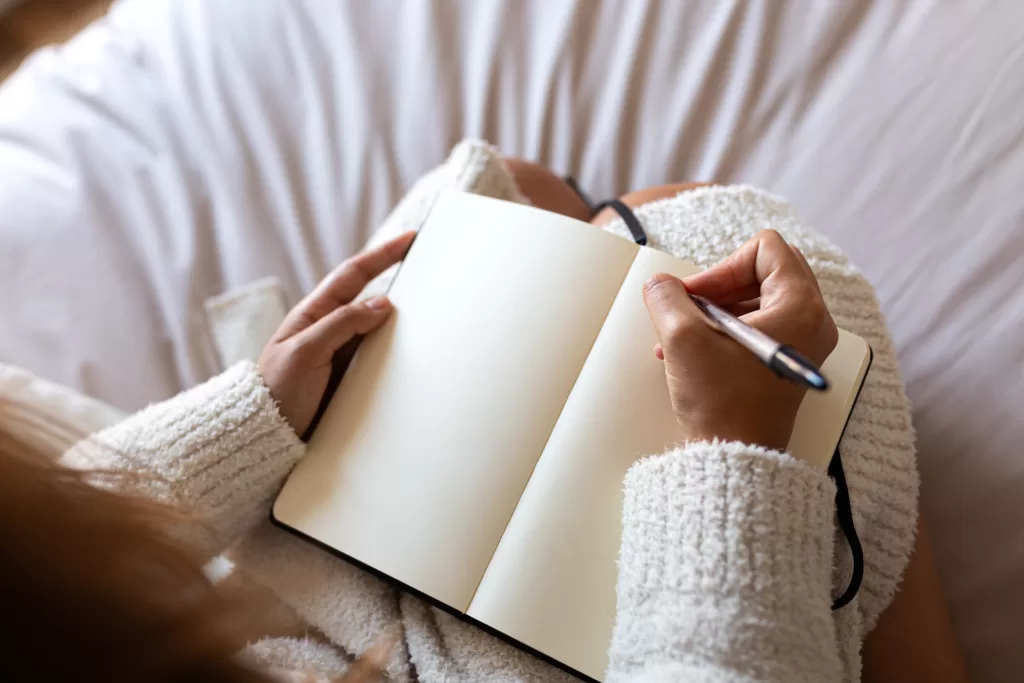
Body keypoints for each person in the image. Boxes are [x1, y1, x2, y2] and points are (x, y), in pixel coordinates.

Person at [0, 145, 966, 683]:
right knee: (718, 243)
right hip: (523, 635)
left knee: (499, 195)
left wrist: (253, 413)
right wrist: (735, 462)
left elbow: (58, 547)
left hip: (283, 554)